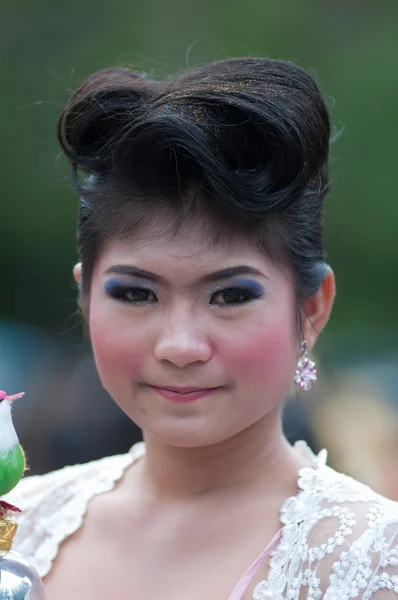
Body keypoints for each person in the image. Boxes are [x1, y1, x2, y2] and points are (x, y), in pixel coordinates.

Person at [4, 57, 398, 600]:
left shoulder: (373, 558)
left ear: (311, 308)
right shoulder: (25, 525)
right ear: (86, 294)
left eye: (231, 296)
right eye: (136, 294)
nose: (180, 346)